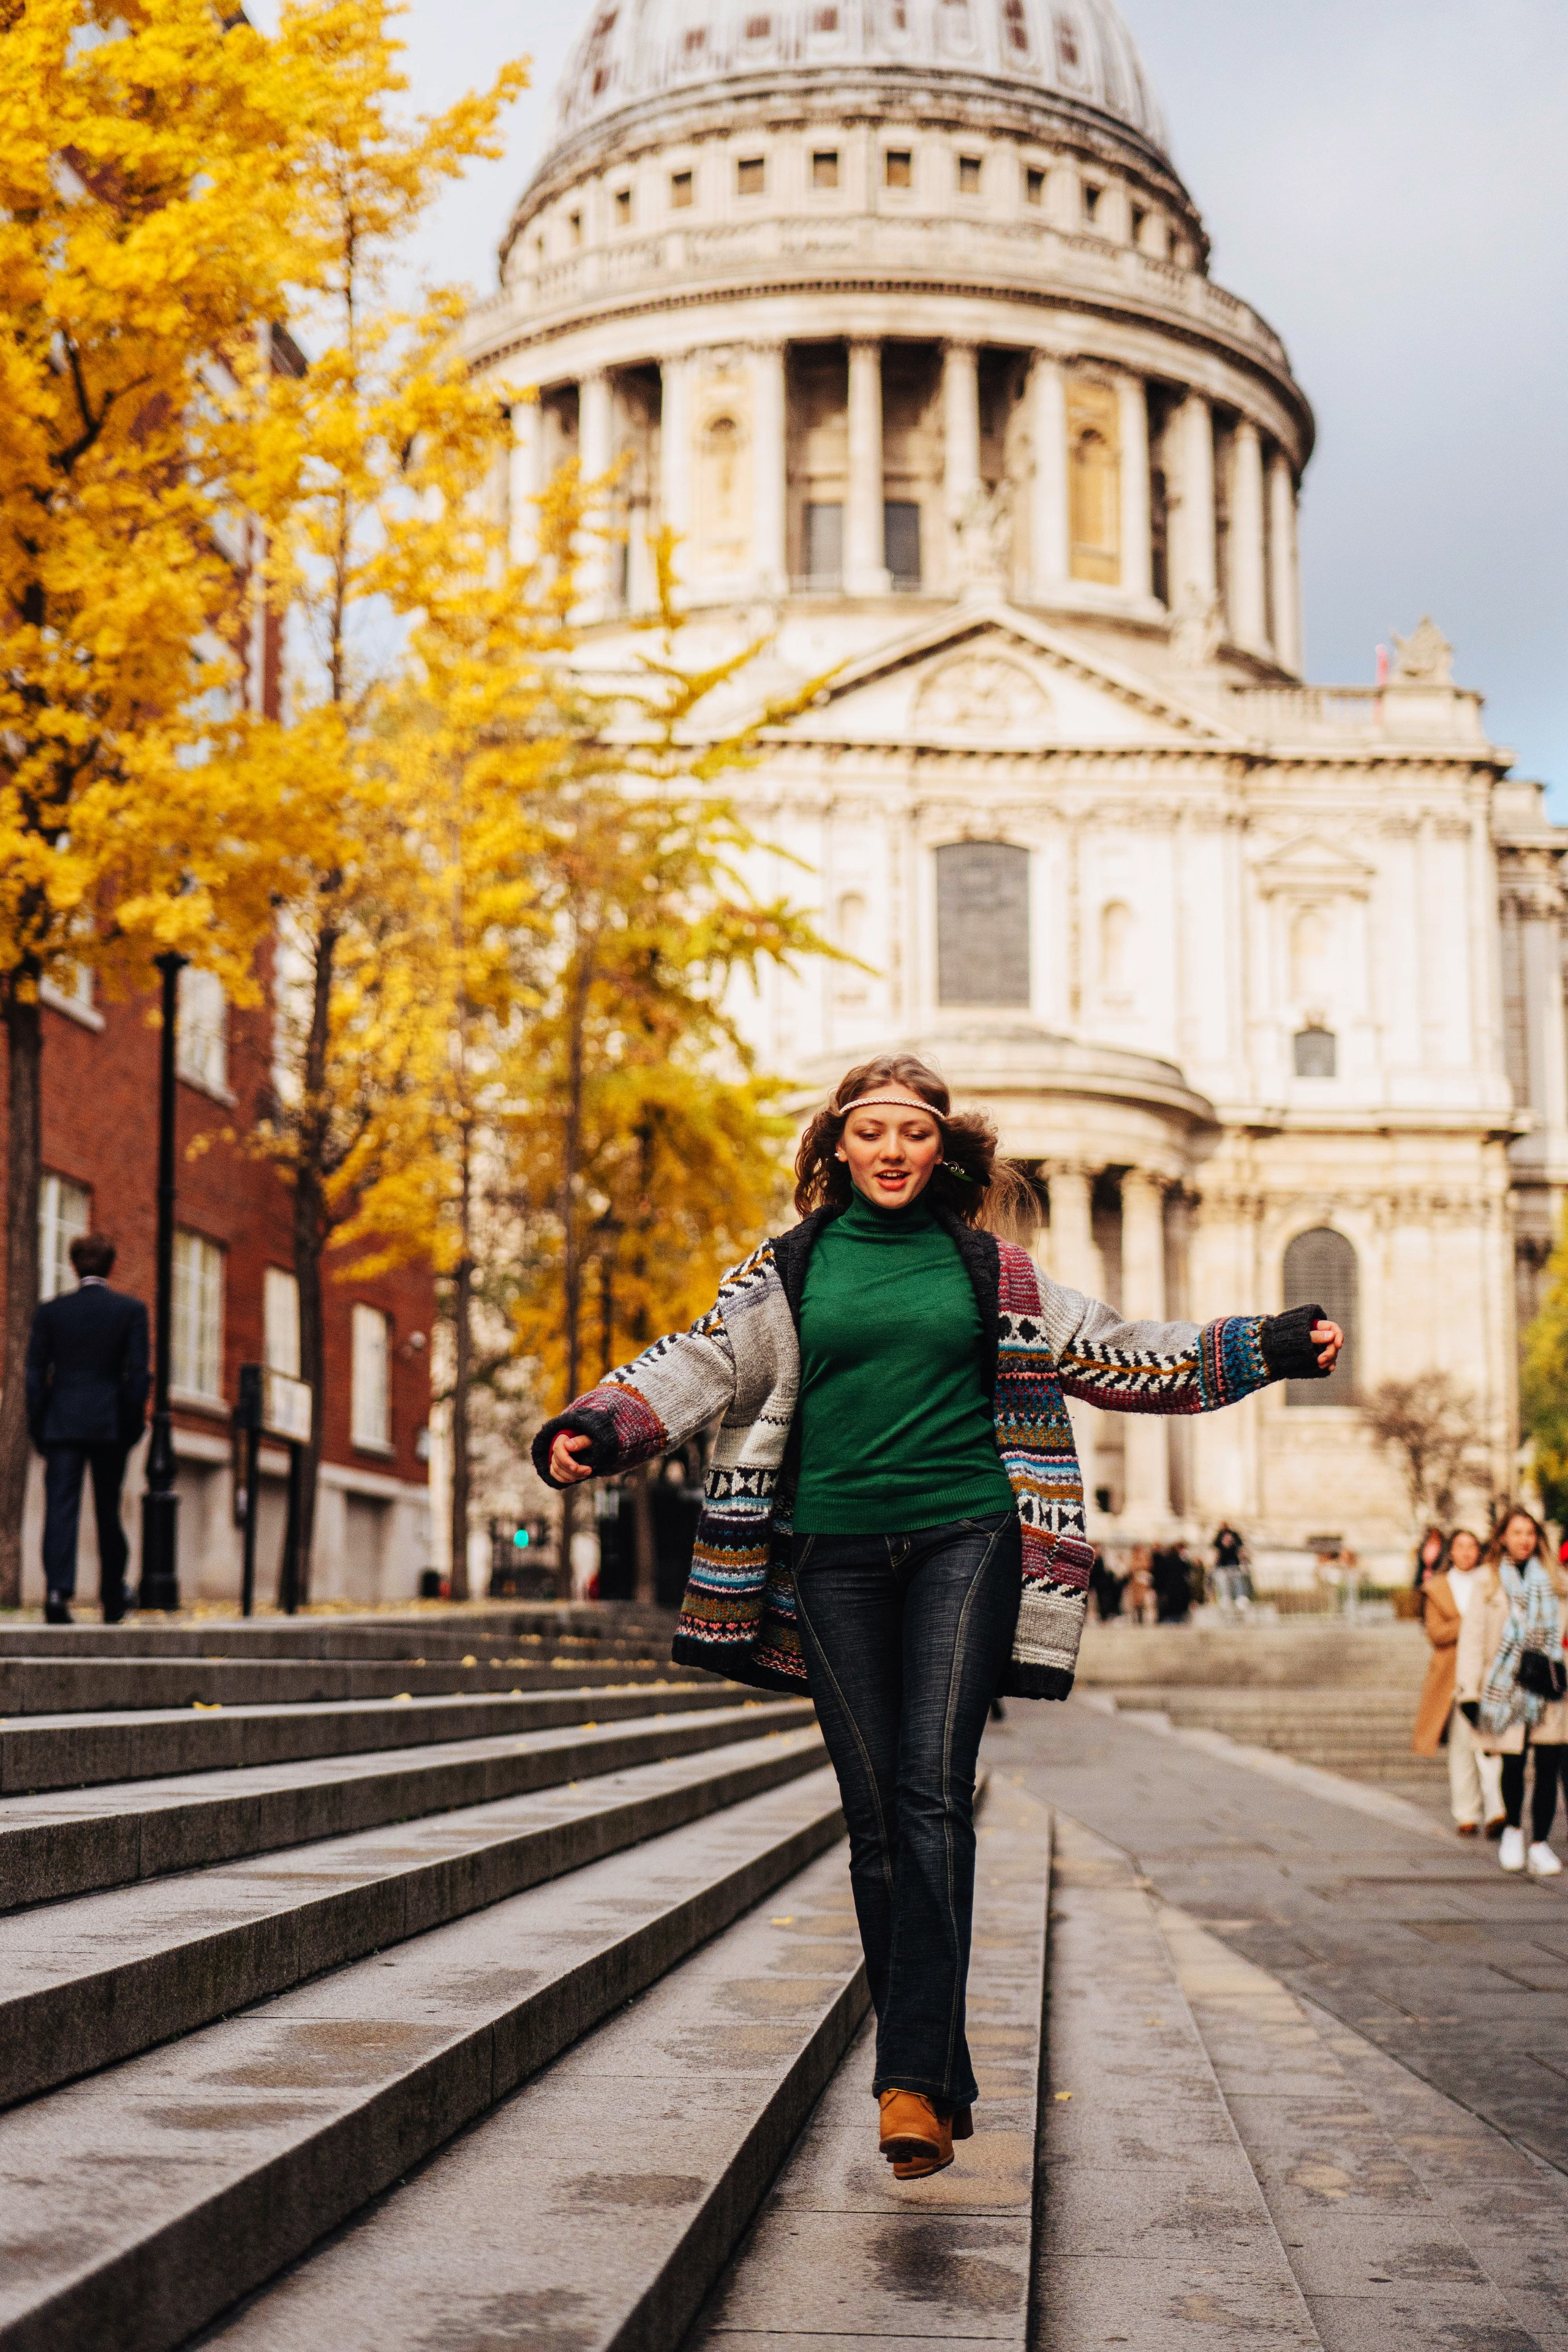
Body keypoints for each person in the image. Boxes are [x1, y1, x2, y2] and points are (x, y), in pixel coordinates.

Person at [533, 1052, 1344, 2179]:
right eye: (871, 1132)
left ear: (942, 1149)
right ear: (838, 1148)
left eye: (913, 1133)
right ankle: (938, 2061)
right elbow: (707, 1363)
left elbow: (1120, 1354)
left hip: (967, 1540)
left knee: (930, 1792)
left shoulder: (994, 1274)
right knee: (875, 1817)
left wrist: (1265, 1345)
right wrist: (603, 1423)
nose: (892, 1151)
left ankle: (907, 2081)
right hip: (828, 1555)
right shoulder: (787, 1268)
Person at [25, 1232, 149, 1624]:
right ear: (111, 1266)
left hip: (61, 1424)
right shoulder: (130, 1311)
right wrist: (130, 1427)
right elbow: (139, 1377)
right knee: (108, 1510)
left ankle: (57, 1593)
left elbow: (34, 1375)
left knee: (61, 1510)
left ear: (74, 1266)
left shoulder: (51, 1312)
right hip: (109, 1424)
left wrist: (40, 1425)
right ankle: (112, 1595)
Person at [1457, 1504, 1568, 1877]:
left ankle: (1540, 1842)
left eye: (1530, 1533)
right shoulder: (1487, 1580)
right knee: (1513, 1765)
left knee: (1549, 1764)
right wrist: (1468, 1693)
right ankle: (1513, 1833)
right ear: (1503, 1537)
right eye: (1517, 1532)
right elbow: (1471, 1639)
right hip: (1505, 1687)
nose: (1524, 1540)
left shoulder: (1557, 1580)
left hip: (1549, 1686)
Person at [1412, 1528, 1504, 1838]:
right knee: (1462, 1747)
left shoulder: (1491, 1582)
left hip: (1487, 1675)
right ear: (1451, 1552)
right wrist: (1470, 1621)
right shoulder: (1438, 1588)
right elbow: (1436, 1634)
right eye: (1460, 1547)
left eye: (1472, 1547)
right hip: (1450, 1676)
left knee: (1491, 1744)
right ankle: (1466, 1813)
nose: (1466, 1553)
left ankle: (1496, 1810)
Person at [1412, 1525, 1445, 1593]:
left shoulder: (1443, 1546)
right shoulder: (1425, 1544)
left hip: (1436, 1572)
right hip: (1423, 1573)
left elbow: (1442, 1560)